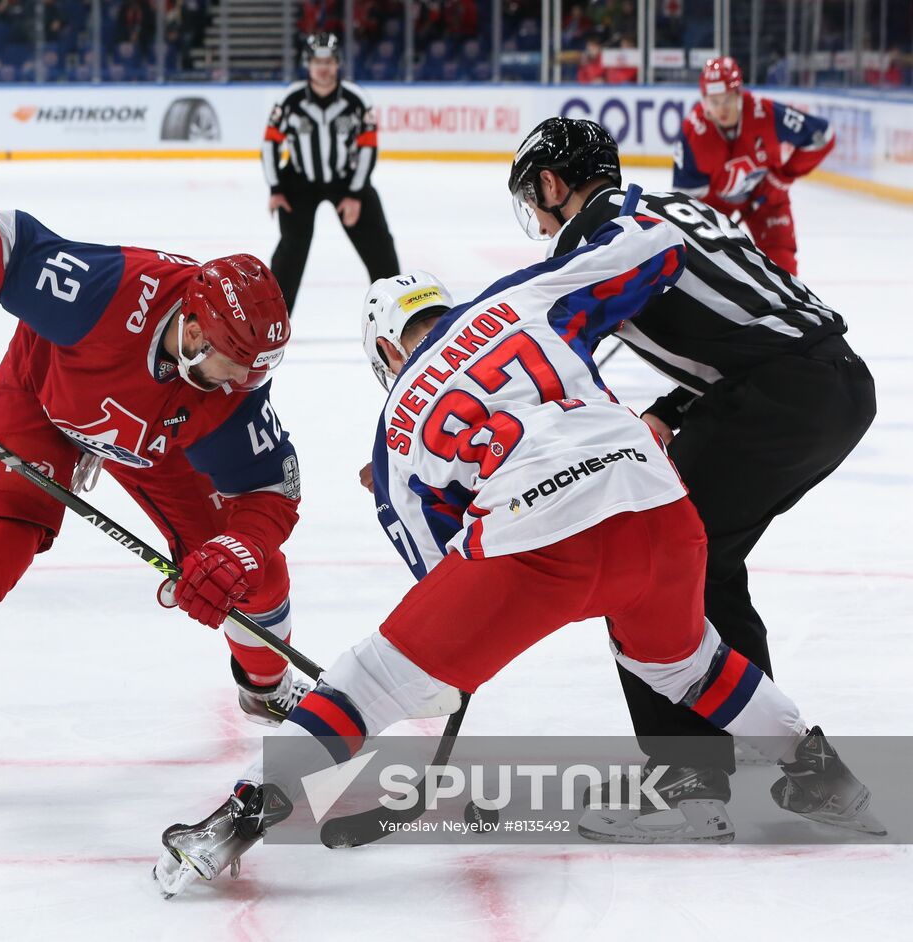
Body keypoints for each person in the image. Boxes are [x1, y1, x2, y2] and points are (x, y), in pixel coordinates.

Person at [154, 214, 882, 898]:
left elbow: (439, 577)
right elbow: (652, 243)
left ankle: (236, 820)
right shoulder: (518, 298)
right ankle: (820, 771)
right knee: (685, 663)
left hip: (536, 544)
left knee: (369, 678)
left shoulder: (395, 434)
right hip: (658, 504)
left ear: (384, 350)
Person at [0, 212, 309, 813]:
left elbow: (272, 487)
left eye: (259, 367)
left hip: (155, 441)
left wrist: (238, 547)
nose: (246, 383)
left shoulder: (233, 391)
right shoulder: (107, 291)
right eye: (237, 363)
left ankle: (267, 686)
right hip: (40, 399)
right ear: (194, 333)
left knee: (254, 569)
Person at [508, 117, 876, 841]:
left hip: (774, 399)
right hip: (839, 383)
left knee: (644, 564)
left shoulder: (594, 247)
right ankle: (789, 768)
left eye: (534, 193)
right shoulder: (676, 203)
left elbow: (530, 347)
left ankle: (688, 778)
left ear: (553, 184)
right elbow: (755, 319)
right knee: (706, 563)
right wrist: (673, 408)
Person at [262, 32, 399, 315]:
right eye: (316, 61)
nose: (323, 67)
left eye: (329, 61)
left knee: (380, 246)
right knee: (290, 252)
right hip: (298, 184)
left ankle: (399, 314)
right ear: (307, 64)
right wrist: (276, 188)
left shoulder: (357, 99)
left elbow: (368, 149)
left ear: (338, 63)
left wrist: (354, 194)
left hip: (346, 182)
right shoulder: (289, 99)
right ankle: (271, 322)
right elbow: (269, 144)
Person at [673, 56, 835, 274]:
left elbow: (822, 136)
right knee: (708, 270)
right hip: (714, 204)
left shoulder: (764, 112)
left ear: (739, 93)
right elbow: (686, 201)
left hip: (767, 197)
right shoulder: (694, 130)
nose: (722, 109)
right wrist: (706, 231)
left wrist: (781, 177)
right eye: (715, 101)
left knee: (783, 269)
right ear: (704, 100)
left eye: (728, 99)